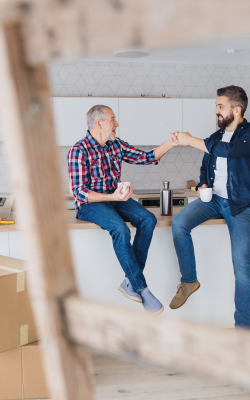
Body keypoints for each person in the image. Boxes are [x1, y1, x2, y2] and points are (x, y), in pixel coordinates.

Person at [68, 105, 179, 314]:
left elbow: (146, 157)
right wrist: (113, 196)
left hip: (115, 198)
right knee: (120, 229)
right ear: (99, 123)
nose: (116, 124)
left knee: (148, 219)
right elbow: (80, 192)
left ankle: (129, 281)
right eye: (112, 119)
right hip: (90, 205)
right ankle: (141, 288)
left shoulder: (115, 144)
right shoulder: (79, 150)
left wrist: (169, 143)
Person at [170, 85, 250, 330]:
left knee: (242, 267)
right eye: (216, 106)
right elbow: (206, 164)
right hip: (214, 200)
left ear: (237, 109)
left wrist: (191, 140)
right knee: (179, 224)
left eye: (220, 106)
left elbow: (229, 151)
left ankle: (242, 329)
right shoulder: (215, 136)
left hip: (241, 204)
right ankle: (189, 281)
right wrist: (202, 183)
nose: (216, 111)